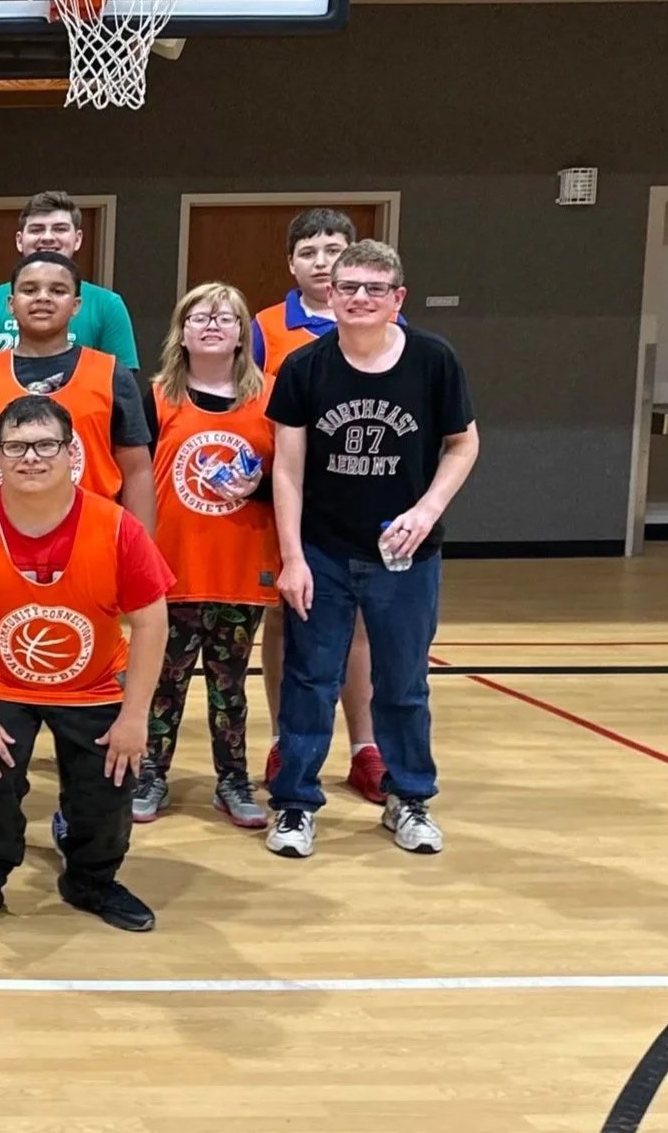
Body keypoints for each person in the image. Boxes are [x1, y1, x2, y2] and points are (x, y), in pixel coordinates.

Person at [0, 395, 174, 937]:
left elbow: (151, 622)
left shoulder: (118, 527)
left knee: (109, 781)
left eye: (45, 445)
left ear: (71, 452)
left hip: (96, 682)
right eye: (16, 447)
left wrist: (133, 716)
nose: (31, 458)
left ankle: (91, 878)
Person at [266, 240, 479, 860]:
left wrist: (426, 510)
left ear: (397, 299)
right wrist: (293, 557)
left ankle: (408, 797)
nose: (360, 298)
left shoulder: (434, 360)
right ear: (329, 295)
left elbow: (462, 445)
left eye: (374, 289)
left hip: (405, 554)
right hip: (324, 550)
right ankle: (295, 804)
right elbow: (287, 469)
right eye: (348, 287)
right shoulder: (305, 367)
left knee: (404, 682)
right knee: (310, 678)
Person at [250, 208, 389, 801]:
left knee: (359, 621)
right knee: (283, 615)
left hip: (357, 494)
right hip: (282, 494)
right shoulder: (264, 326)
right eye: (309, 251)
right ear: (291, 262)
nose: (322, 259)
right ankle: (287, 741)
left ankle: (366, 748)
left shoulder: (382, 319)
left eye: (335, 248)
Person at [136, 283, 278, 831]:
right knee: (160, 683)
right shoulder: (155, 398)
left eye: (226, 318)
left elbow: (292, 478)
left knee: (230, 684)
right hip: (170, 569)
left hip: (240, 567)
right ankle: (150, 774)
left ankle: (232, 780)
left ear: (244, 333)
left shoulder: (270, 398)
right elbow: (135, 480)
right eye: (200, 317)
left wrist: (259, 482)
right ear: (182, 331)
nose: (213, 325)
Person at [0, 252, 153, 526]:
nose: (43, 297)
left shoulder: (113, 377)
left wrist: (142, 555)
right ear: (10, 304)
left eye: (58, 290)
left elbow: (137, 471)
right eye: (29, 290)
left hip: (91, 538)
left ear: (76, 305)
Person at [0, 192, 138, 370]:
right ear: (19, 240)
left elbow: (119, 387)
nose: (48, 237)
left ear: (78, 239)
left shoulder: (108, 305)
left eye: (60, 229)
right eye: (37, 229)